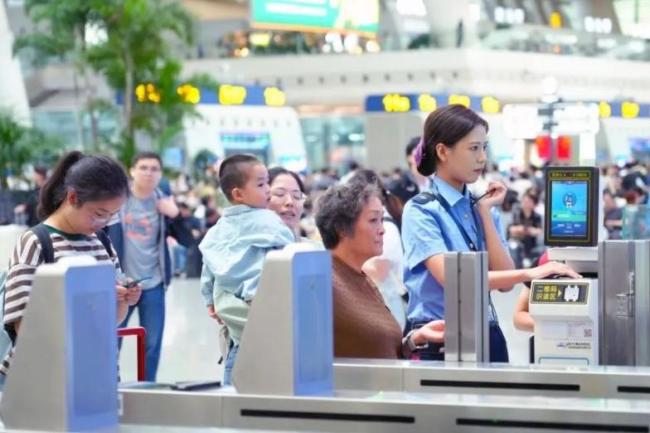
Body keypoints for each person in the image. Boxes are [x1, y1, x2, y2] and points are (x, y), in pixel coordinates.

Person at [401, 104, 580, 362]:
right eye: (473, 148)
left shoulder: (483, 206)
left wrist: (485, 213)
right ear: (442, 151)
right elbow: (452, 278)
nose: (482, 158)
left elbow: (506, 284)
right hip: (437, 334)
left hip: (488, 330)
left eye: (484, 147)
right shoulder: (421, 210)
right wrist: (529, 273)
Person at [1, 151, 141, 386]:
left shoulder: (102, 243)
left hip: (96, 373)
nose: (103, 223)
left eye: (111, 216)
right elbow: (24, 328)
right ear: (73, 198)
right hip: (43, 380)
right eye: (98, 214)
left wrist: (122, 299)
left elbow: (112, 322)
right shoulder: (36, 242)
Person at [315, 182, 444, 359]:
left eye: (382, 219)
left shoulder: (362, 279)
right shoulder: (323, 281)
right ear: (341, 228)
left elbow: (378, 347)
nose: (382, 230)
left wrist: (414, 339)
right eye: (373, 220)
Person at [199, 154, 295, 385]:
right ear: (238, 194)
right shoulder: (269, 222)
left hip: (237, 327)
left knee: (234, 391)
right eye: (261, 184)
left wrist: (209, 301)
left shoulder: (216, 231)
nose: (268, 190)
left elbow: (208, 270)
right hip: (265, 309)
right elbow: (288, 254)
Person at [106, 151, 193, 382]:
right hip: (119, 285)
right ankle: (109, 387)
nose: (148, 173)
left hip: (152, 283)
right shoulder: (117, 201)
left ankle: (147, 388)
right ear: (132, 171)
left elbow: (188, 241)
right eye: (143, 167)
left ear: (160, 174)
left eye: (154, 169)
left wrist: (175, 214)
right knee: (112, 339)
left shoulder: (163, 203)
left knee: (152, 343)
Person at [508, 191, 543, 268]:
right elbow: (511, 229)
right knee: (514, 247)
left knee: (542, 250)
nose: (525, 203)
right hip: (517, 241)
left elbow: (539, 231)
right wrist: (523, 230)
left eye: (528, 201)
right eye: (524, 201)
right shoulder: (517, 213)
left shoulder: (537, 216)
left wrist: (527, 230)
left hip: (531, 243)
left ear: (534, 204)